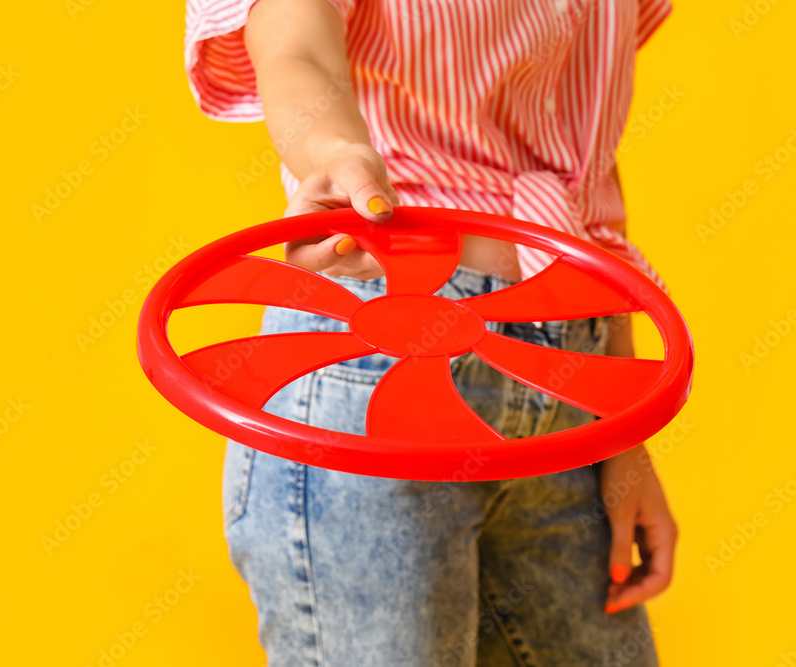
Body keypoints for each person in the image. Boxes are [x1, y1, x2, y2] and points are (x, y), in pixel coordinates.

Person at [185, 0, 678, 664]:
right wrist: (336, 156)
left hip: (569, 381)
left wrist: (623, 429)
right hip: (378, 364)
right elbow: (293, 42)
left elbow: (579, 179)